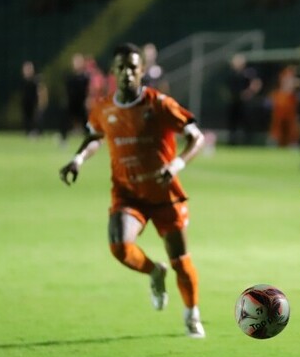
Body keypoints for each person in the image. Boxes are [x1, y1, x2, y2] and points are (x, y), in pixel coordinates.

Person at [58, 43, 207, 338]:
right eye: (121, 67)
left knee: (180, 259)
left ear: (141, 71)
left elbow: (196, 137)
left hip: (164, 193)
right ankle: (154, 271)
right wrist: (77, 160)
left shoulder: (159, 104)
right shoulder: (104, 108)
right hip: (128, 194)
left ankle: (192, 314)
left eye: (132, 67)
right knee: (119, 245)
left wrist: (176, 165)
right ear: (113, 71)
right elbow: (93, 136)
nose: (127, 72)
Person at [224, 53, 262, 145]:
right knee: (233, 122)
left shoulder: (249, 72)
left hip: (245, 102)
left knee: (247, 121)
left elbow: (257, 83)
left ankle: (249, 141)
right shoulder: (231, 74)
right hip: (234, 100)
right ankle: (232, 142)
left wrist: (249, 92)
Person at [62, 52, 90, 143]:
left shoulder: (86, 77)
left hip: (81, 103)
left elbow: (88, 90)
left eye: (78, 62)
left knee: (85, 122)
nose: (76, 64)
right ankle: (63, 139)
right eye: (75, 62)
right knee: (66, 119)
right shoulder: (70, 77)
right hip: (72, 103)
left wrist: (88, 100)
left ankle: (90, 139)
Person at [20, 60, 47, 138]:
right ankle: (29, 132)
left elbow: (41, 91)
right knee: (27, 118)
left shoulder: (36, 80)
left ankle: (38, 132)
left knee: (37, 118)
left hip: (34, 103)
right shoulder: (23, 82)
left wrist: (41, 102)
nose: (27, 71)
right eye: (26, 69)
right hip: (26, 103)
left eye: (29, 69)